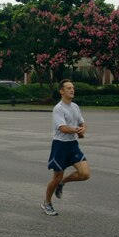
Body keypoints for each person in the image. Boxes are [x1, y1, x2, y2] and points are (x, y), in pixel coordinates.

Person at [42, 79, 90, 216]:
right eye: (68, 88)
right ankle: (47, 203)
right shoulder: (58, 108)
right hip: (60, 146)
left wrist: (83, 129)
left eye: (73, 87)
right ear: (61, 91)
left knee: (85, 174)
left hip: (73, 145)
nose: (72, 90)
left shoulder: (75, 106)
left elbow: (83, 123)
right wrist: (76, 130)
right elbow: (62, 128)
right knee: (56, 177)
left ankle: (63, 182)